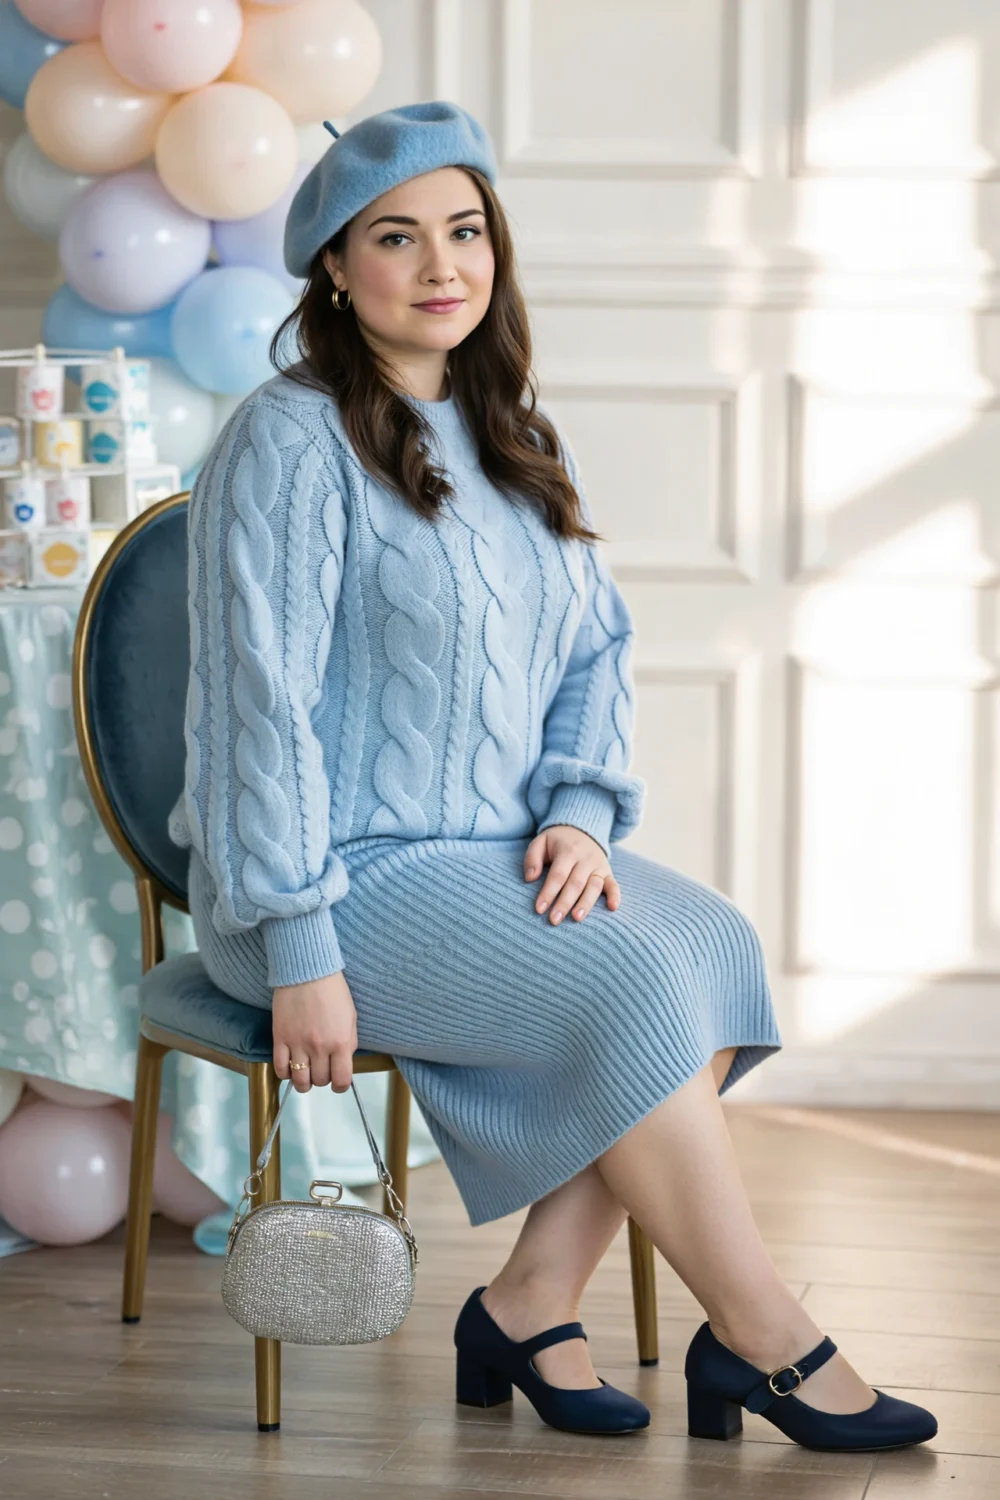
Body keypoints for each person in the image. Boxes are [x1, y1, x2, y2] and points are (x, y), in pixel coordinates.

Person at [169, 100, 936, 1451]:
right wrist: (297, 938)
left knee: (711, 943)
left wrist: (581, 811)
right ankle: (766, 1338)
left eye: (463, 230)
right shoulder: (286, 443)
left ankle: (526, 1301)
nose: (440, 264)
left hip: (486, 859)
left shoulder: (511, 429)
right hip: (330, 883)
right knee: (637, 980)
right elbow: (259, 713)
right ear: (337, 273)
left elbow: (597, 651)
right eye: (395, 238)